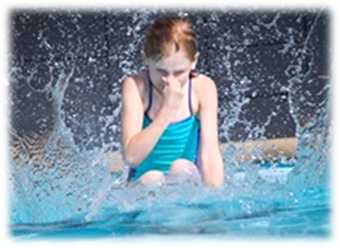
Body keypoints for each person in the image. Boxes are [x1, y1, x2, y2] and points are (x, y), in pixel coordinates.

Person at [120, 16, 224, 187]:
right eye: (161, 71)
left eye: (179, 72)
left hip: (185, 183)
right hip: (143, 188)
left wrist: (218, 205)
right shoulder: (136, 87)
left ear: (194, 61)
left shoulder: (203, 87)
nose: (169, 80)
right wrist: (167, 110)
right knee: (151, 178)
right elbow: (131, 158)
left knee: (181, 167)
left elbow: (210, 154)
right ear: (146, 59)